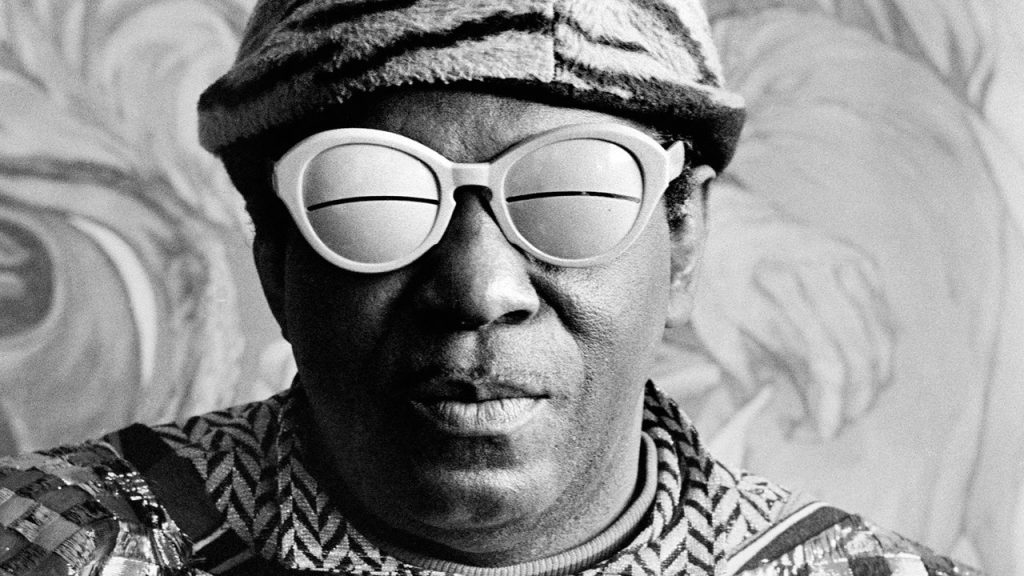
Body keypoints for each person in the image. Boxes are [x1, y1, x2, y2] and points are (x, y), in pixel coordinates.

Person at [0, 1, 979, 575]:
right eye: (378, 197)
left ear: (682, 236)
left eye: (573, 192)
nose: (479, 285)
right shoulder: (53, 545)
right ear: (276, 252)